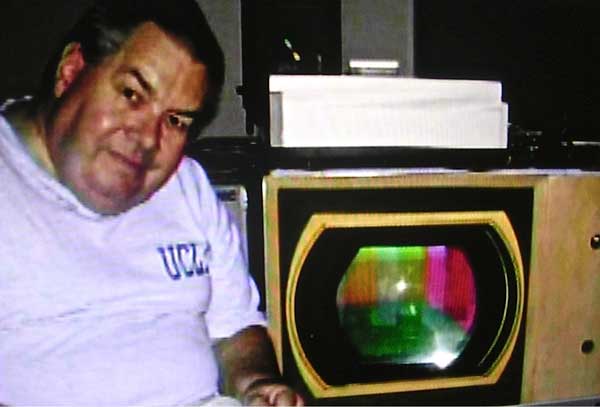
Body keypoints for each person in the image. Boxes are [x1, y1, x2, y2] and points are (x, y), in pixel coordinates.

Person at [0, 0, 303, 405]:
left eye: (175, 120)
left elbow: (234, 329)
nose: (147, 139)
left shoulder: (187, 185)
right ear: (71, 71)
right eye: (132, 95)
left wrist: (255, 384)